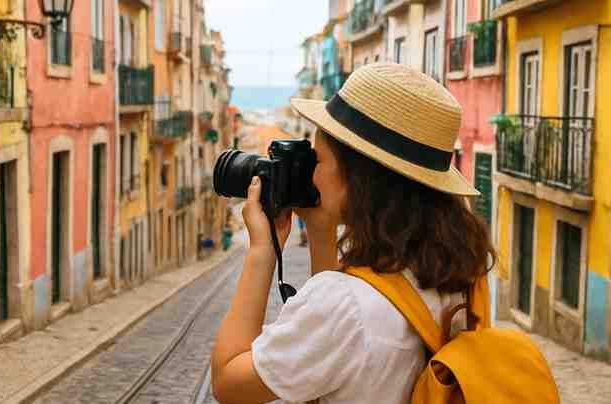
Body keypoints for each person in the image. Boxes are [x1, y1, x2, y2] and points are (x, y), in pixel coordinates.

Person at [210, 63, 495, 404]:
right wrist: (321, 234)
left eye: (317, 160)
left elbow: (228, 381)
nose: (310, 173)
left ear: (356, 179)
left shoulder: (346, 307)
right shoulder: (455, 273)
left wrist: (262, 251)